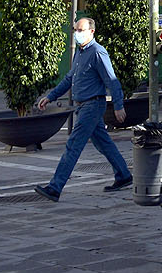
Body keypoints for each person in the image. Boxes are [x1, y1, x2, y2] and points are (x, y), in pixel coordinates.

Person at [32, 17, 133, 201]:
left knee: (73, 145)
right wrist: (50, 97)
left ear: (91, 32)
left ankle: (55, 187)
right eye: (75, 30)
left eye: (81, 30)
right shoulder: (79, 53)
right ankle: (124, 176)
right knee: (103, 143)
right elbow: (70, 78)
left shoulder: (97, 52)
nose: (77, 34)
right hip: (83, 106)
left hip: (92, 105)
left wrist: (119, 105)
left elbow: (112, 81)